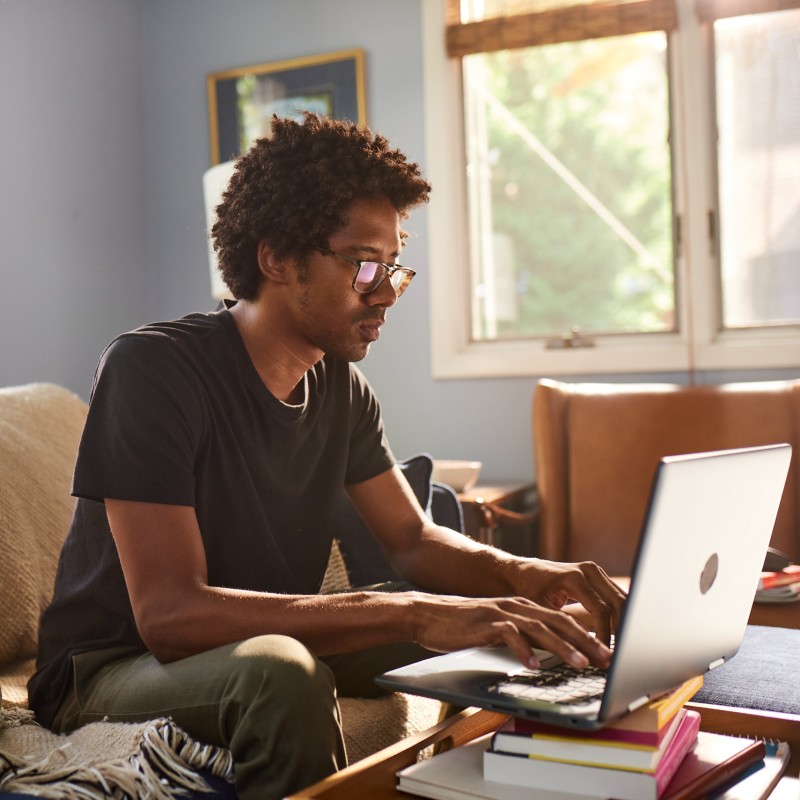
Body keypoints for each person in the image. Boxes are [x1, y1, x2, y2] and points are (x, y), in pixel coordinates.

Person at [29, 112, 626, 799]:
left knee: (501, 634)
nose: (385, 292)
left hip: (241, 647)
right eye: (363, 263)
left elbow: (412, 539)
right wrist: (407, 612)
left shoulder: (340, 388)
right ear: (276, 257)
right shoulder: (154, 370)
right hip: (110, 669)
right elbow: (170, 617)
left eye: (394, 266)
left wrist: (528, 578)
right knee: (285, 672)